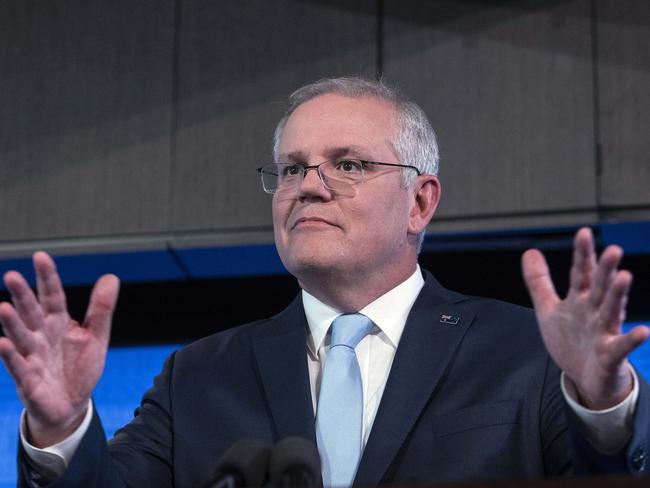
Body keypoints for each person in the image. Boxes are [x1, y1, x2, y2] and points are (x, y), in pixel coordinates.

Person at [1, 77, 649, 487]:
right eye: (290, 170)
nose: (308, 185)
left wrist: (601, 408)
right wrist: (61, 429)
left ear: (420, 203)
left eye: (349, 163)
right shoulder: (197, 376)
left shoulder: (525, 355)